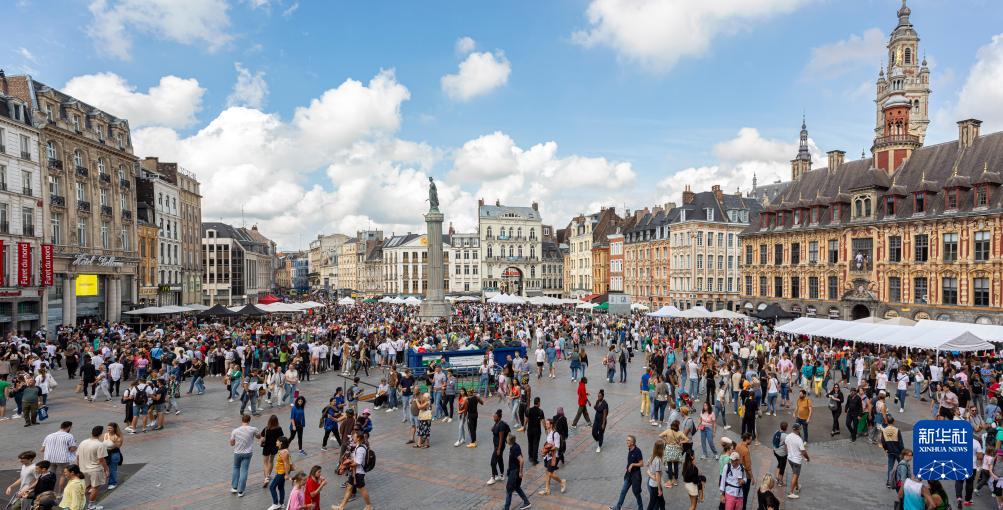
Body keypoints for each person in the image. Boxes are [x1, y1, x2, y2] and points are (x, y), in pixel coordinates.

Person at [333, 430, 372, 510]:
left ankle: (369, 505)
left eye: (354, 436)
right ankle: (341, 507)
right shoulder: (359, 446)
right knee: (349, 488)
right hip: (354, 472)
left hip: (358, 473)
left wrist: (346, 465)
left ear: (358, 438)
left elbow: (358, 462)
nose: (352, 437)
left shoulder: (360, 449)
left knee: (362, 490)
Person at [75, 425, 108, 510]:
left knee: (86, 487)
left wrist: (78, 468)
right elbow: (101, 459)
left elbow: (78, 457)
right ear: (101, 434)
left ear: (92, 432)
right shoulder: (100, 444)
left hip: (83, 469)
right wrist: (106, 470)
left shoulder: (83, 442)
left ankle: (77, 504)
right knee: (95, 488)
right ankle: (91, 506)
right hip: (95, 470)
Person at [229, 413, 260, 497]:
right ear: (249, 421)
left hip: (237, 453)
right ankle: (241, 491)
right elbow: (259, 436)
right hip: (248, 453)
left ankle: (234, 487)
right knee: (244, 470)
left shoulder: (235, 430)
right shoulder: (253, 429)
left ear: (242, 420)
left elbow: (231, 443)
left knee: (236, 468)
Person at [609, 435, 644, 510]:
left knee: (636, 493)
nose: (626, 441)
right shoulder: (630, 449)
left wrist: (632, 464)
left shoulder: (637, 451)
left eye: (628, 440)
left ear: (632, 443)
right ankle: (618, 507)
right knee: (623, 491)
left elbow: (641, 464)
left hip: (635, 476)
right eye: (627, 440)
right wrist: (628, 467)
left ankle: (640, 508)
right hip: (628, 475)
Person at [41, 421, 77, 490]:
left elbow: (42, 449)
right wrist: (74, 446)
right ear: (69, 427)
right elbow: (72, 449)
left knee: (50, 475)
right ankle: (60, 492)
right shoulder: (69, 436)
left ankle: (49, 491)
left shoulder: (49, 436)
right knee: (63, 475)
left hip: (49, 459)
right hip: (62, 459)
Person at [502, 435, 531, 510]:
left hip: (514, 472)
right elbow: (521, 456)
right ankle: (527, 502)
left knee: (509, 489)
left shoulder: (514, 448)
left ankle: (506, 508)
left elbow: (521, 460)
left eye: (507, 438)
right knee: (517, 487)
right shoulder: (515, 445)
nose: (506, 439)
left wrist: (520, 472)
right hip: (514, 471)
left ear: (509, 441)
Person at [539, 419, 566, 495]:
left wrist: (547, 450)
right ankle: (547, 490)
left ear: (551, 425)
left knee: (550, 473)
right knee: (547, 472)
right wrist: (545, 450)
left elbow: (557, 446)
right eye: (546, 424)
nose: (546, 425)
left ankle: (562, 482)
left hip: (554, 456)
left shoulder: (555, 434)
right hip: (548, 456)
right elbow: (549, 444)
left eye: (547, 424)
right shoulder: (549, 433)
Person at [784, 423, 808, 499]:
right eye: (800, 429)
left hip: (790, 459)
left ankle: (797, 486)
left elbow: (785, 446)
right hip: (797, 460)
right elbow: (803, 452)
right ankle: (791, 492)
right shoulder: (799, 439)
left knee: (795, 473)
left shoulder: (788, 436)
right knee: (795, 475)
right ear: (798, 430)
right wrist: (808, 458)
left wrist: (788, 454)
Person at [268, 436, 293, 510]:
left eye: (277, 441)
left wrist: (287, 474)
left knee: (272, 487)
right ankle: (281, 504)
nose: (276, 442)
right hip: (280, 472)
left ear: (281, 443)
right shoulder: (282, 450)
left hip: (281, 473)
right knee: (281, 487)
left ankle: (275, 503)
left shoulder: (283, 452)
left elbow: (286, 463)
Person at [487, 409, 510, 485]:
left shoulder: (501, 425)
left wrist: (499, 449)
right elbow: (492, 429)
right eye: (493, 416)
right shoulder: (496, 423)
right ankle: (502, 475)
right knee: (500, 459)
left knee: (493, 462)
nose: (493, 417)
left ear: (499, 417)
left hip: (499, 446)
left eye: (495, 416)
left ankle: (493, 477)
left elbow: (501, 438)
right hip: (496, 445)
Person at [261, 414, 283, 488]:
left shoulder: (266, 429)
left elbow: (262, 438)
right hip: (275, 447)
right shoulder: (279, 429)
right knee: (271, 461)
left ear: (269, 421)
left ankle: (266, 478)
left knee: (265, 462)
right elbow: (281, 438)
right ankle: (268, 476)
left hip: (266, 447)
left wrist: (262, 441)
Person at [101, 423, 123, 490]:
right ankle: (103, 481)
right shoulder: (105, 435)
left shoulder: (117, 436)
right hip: (105, 454)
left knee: (112, 469)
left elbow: (118, 446)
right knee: (103, 468)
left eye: (110, 428)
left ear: (114, 429)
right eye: (108, 428)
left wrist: (114, 442)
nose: (108, 429)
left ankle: (112, 483)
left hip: (114, 454)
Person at [525, 397, 545, 465]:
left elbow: (526, 419)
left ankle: (530, 457)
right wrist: (545, 429)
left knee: (530, 443)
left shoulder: (529, 410)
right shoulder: (540, 411)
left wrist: (524, 426)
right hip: (537, 431)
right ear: (538, 402)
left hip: (529, 430)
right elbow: (543, 421)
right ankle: (534, 460)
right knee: (535, 444)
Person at [646, 440, 665, 510]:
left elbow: (647, 465)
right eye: (663, 448)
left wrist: (651, 474)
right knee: (652, 504)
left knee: (661, 502)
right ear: (660, 449)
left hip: (651, 483)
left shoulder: (652, 456)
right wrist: (659, 489)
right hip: (655, 485)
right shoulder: (658, 460)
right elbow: (657, 475)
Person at [593, 389, 609, 453]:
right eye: (598, 396)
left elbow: (605, 415)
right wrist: (595, 407)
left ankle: (599, 446)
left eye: (600, 396)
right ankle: (598, 440)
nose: (598, 397)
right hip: (596, 420)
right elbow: (595, 407)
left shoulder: (605, 404)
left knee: (601, 434)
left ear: (602, 397)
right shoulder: (597, 401)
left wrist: (603, 424)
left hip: (602, 421)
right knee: (594, 432)